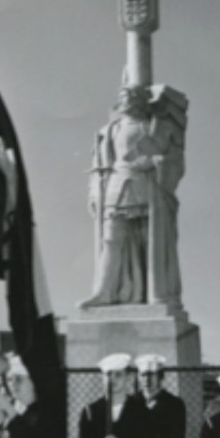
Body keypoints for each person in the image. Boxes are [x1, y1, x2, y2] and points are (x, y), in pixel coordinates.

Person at [80, 86, 184, 308]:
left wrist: (157, 162)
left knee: (150, 241)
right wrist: (93, 193)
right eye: (123, 97)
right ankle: (104, 292)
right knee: (111, 241)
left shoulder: (156, 128)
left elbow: (175, 161)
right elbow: (99, 166)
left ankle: (154, 293)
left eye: (132, 97)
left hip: (147, 186)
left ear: (143, 101)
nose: (126, 101)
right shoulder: (108, 130)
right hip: (115, 187)